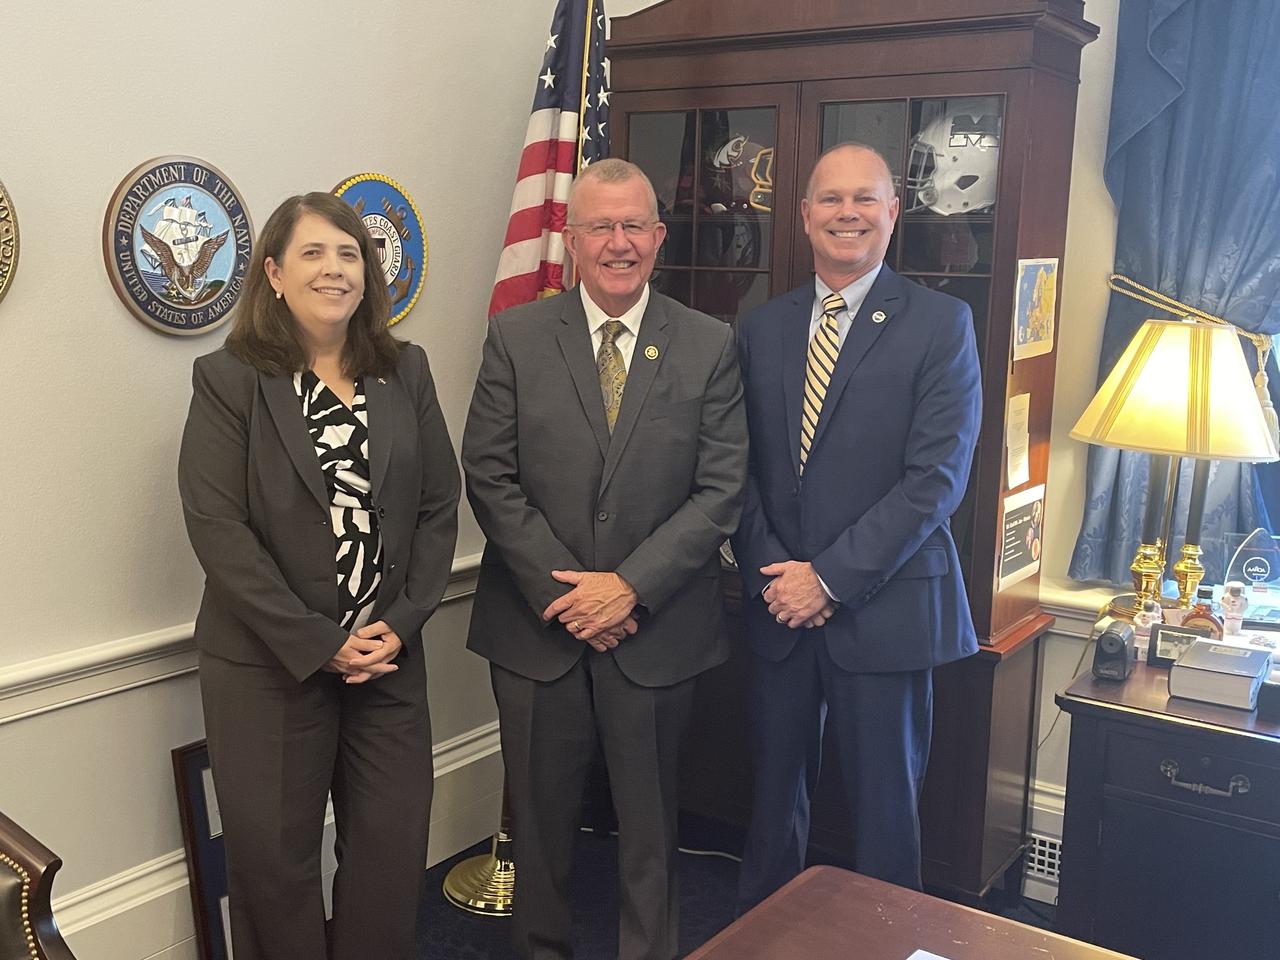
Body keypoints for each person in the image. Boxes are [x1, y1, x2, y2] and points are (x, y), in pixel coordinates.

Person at [462, 158, 747, 960]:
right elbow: (489, 472)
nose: (618, 243)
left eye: (634, 227)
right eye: (601, 227)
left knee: (651, 836)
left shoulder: (709, 343)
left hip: (656, 635)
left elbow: (721, 488)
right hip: (535, 633)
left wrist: (628, 588)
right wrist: (571, 596)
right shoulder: (517, 336)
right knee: (540, 834)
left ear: (658, 236)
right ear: (571, 239)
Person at [178, 192, 460, 960]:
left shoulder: (407, 370)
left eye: (348, 255)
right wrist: (317, 642)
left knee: (390, 855)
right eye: (312, 253)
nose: (334, 269)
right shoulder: (229, 379)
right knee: (276, 868)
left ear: (367, 275)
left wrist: (395, 625)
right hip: (269, 668)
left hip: (387, 661)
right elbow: (217, 529)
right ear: (272, 272)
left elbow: (440, 508)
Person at [732, 143, 982, 905]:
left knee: (884, 822)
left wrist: (830, 579)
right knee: (771, 810)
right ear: (803, 217)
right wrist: (779, 575)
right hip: (779, 607)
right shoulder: (761, 326)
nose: (848, 213)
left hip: (885, 608)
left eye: (865, 199)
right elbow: (732, 467)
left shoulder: (941, 323)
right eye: (831, 200)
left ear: (893, 214)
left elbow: (934, 480)